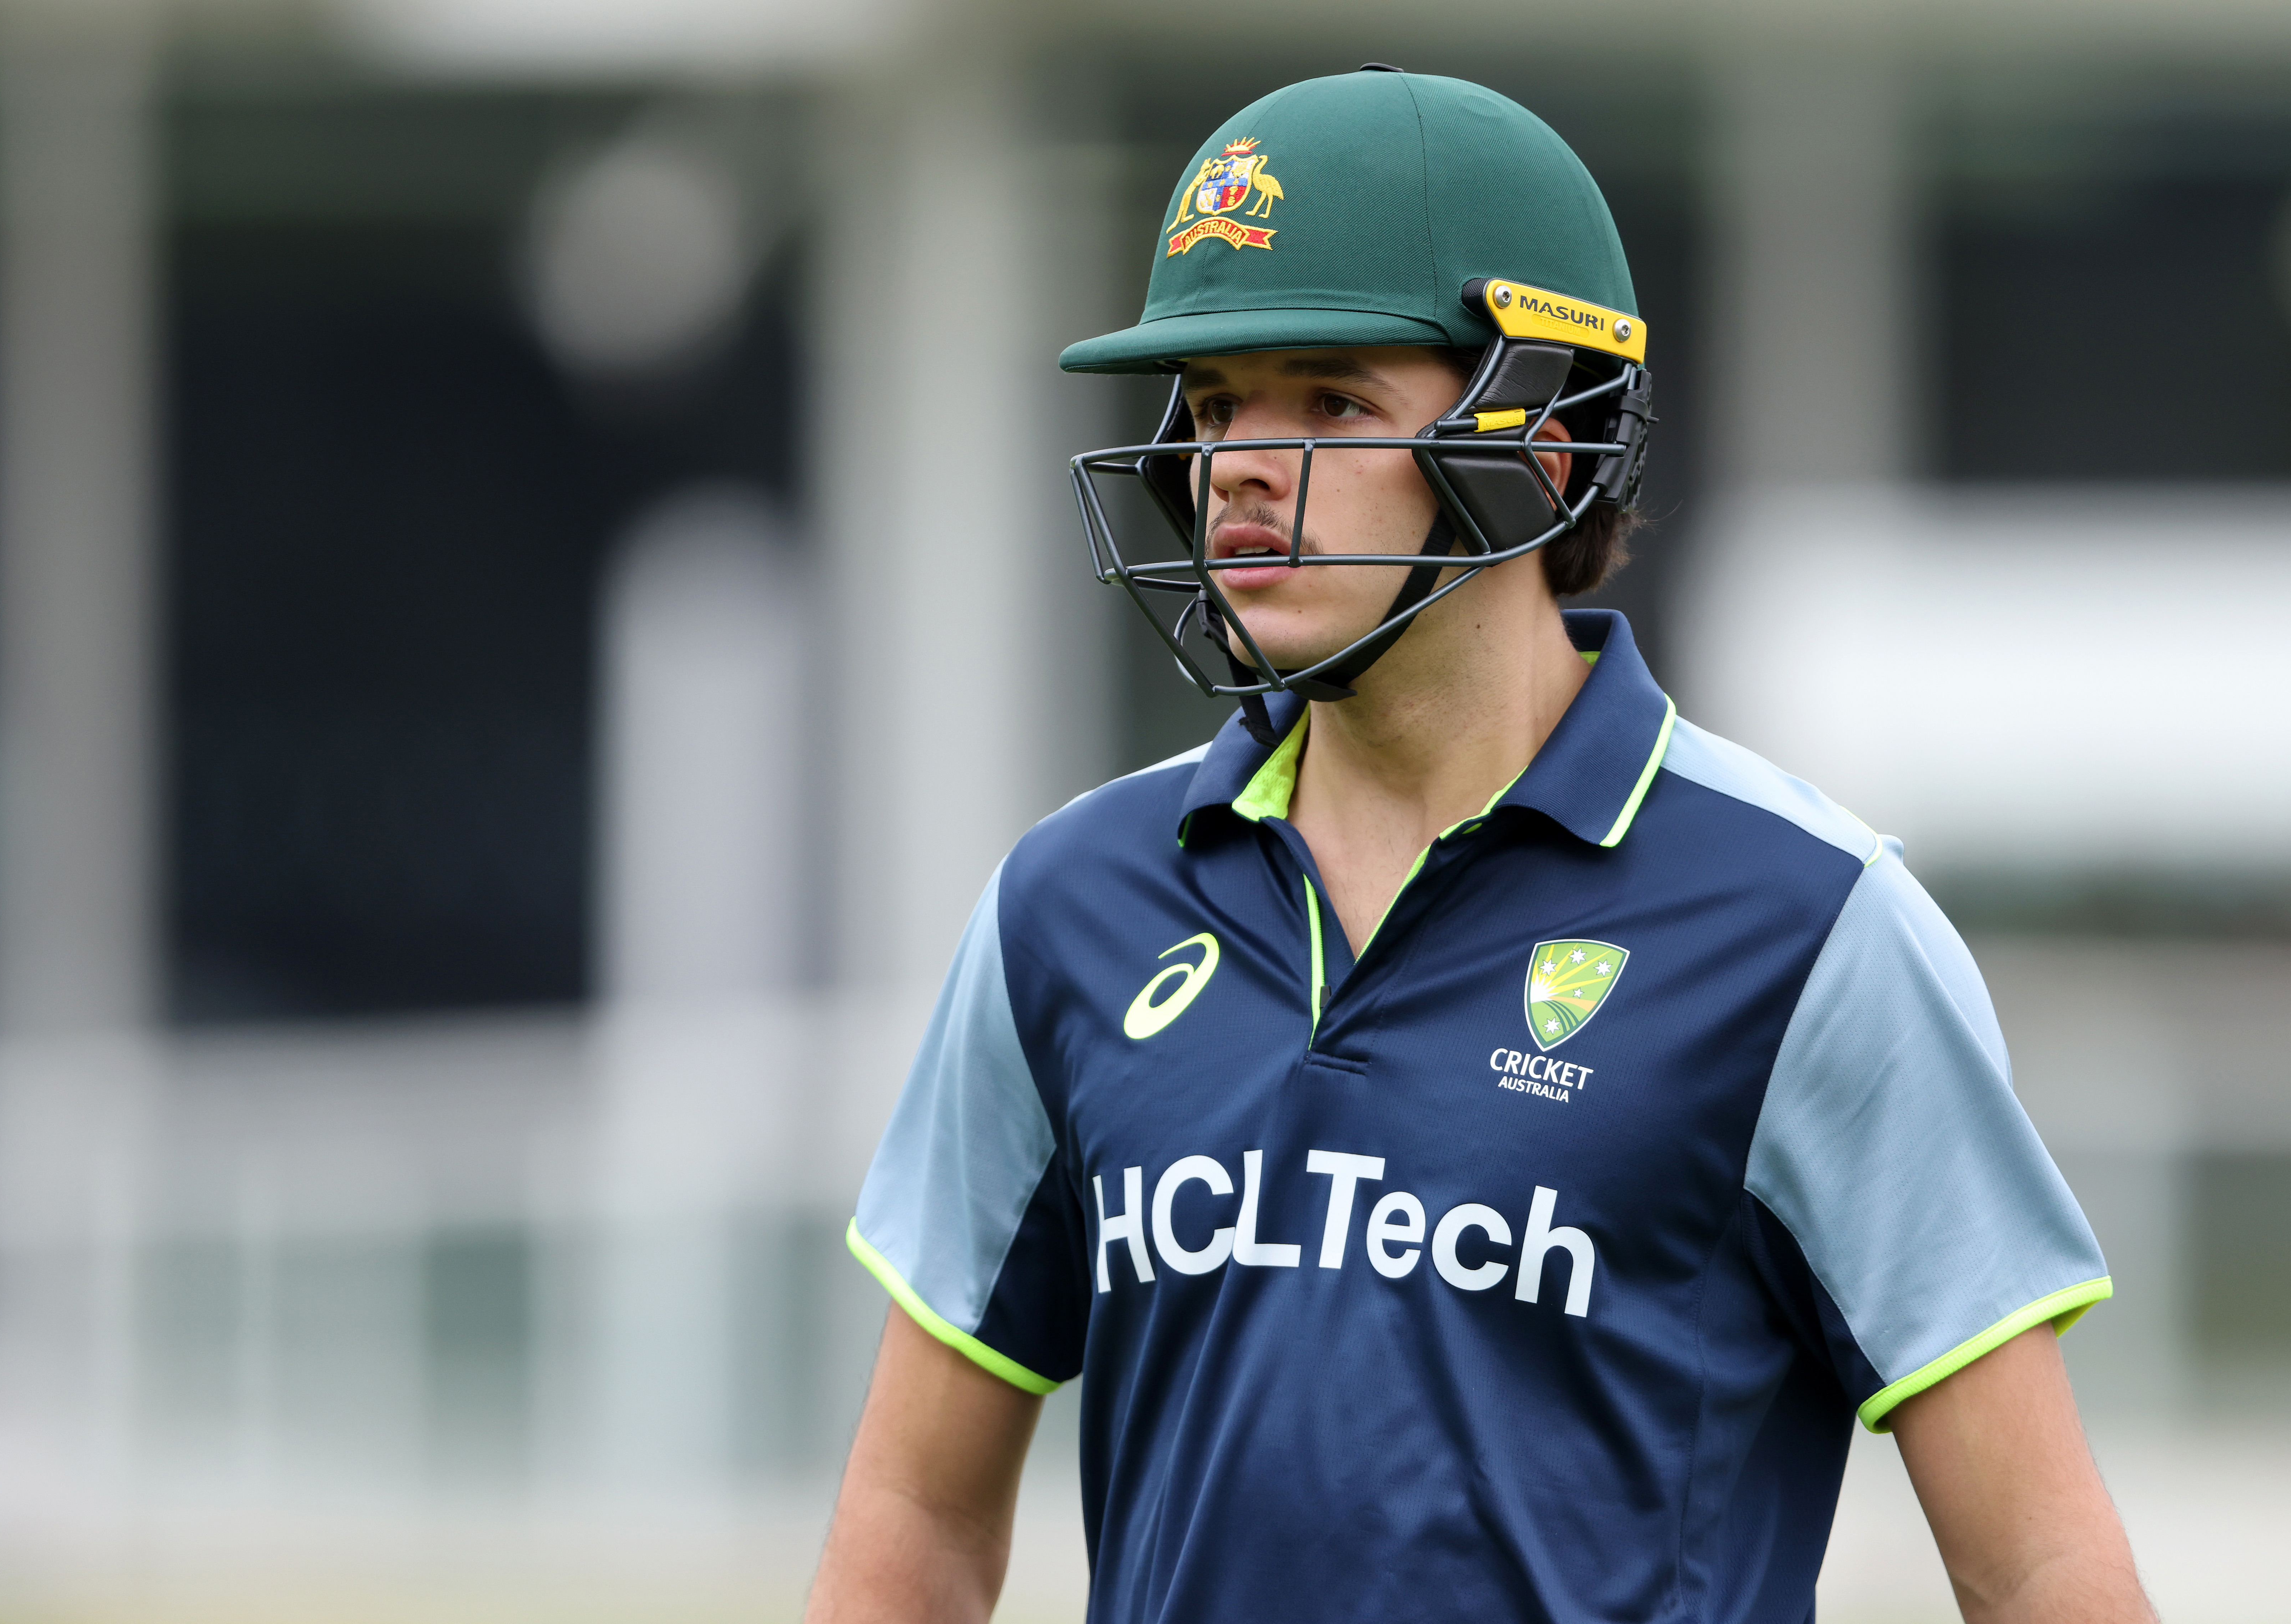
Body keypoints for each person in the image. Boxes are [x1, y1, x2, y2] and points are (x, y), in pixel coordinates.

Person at [807, 67, 2152, 1624]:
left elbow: (2040, 1563)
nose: (1237, 462)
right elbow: (908, 1514)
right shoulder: (1067, 901)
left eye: (1329, 399)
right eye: (1215, 404)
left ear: (1544, 444)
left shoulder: (1807, 926)